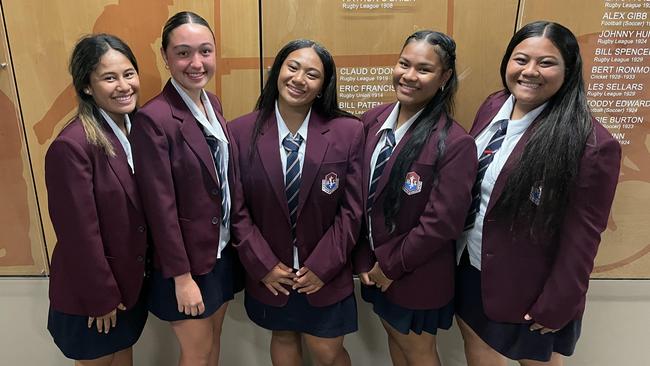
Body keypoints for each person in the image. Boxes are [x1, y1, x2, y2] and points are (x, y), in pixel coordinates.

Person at [455, 21, 622, 366]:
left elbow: (584, 235)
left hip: (530, 284)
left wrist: (559, 303)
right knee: (476, 340)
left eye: (546, 63)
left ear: (569, 69)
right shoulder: (494, 105)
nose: (530, 71)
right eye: (520, 59)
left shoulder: (590, 144)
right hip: (472, 264)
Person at [228, 39, 364, 366]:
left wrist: (322, 266)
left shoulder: (348, 132)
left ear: (322, 87)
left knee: (327, 352)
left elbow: (352, 210)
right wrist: (263, 265)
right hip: (271, 271)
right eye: (292, 67)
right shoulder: (240, 131)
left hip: (326, 271)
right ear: (278, 71)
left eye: (312, 74)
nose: (299, 78)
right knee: (284, 339)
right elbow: (237, 210)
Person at [352, 30, 477, 366]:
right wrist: (366, 259)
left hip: (416, 275)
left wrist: (389, 267)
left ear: (444, 77)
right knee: (397, 345)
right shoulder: (372, 121)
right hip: (377, 271)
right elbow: (361, 201)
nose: (408, 75)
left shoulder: (454, 142)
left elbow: (442, 224)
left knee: (419, 355)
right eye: (403, 64)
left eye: (423, 69)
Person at [129, 11, 236, 366]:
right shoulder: (153, 119)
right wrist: (182, 278)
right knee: (197, 352)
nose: (196, 63)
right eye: (183, 53)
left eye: (205, 51)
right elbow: (160, 209)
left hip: (218, 253)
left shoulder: (211, 103)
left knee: (213, 341)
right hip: (185, 265)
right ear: (165, 56)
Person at [45, 34, 148, 366]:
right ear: (87, 86)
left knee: (123, 358)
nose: (123, 85)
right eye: (109, 77)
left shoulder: (137, 130)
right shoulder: (72, 146)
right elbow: (79, 236)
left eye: (128, 74)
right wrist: (101, 298)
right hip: (93, 296)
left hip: (128, 288)